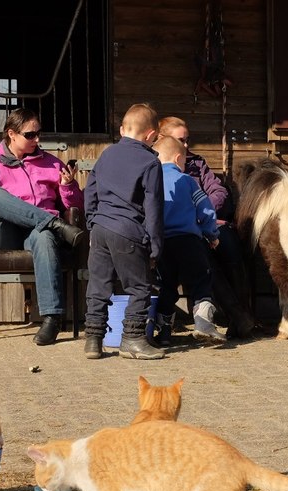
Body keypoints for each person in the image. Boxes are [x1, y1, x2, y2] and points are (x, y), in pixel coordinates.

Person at [0, 108, 85, 346]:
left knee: (44, 237)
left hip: (37, 234)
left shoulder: (51, 163)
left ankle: (52, 319)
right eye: (30, 135)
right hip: (5, 233)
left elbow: (77, 206)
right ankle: (53, 223)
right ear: (12, 134)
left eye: (38, 133)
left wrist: (67, 186)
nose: (36, 139)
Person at [157, 116, 254, 339]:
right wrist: (200, 221)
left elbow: (218, 192)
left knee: (230, 247)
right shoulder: (160, 171)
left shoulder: (197, 163)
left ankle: (164, 330)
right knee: (204, 267)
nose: (186, 145)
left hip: (179, 231)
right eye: (181, 140)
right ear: (162, 138)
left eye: (187, 139)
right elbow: (203, 207)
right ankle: (228, 319)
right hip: (193, 232)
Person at [82, 103, 165, 360]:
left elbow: (90, 191)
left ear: (122, 130)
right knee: (139, 287)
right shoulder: (150, 162)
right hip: (128, 230)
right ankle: (133, 339)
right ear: (151, 135)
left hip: (100, 229)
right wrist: (155, 246)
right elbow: (154, 207)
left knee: (98, 286)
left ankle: (93, 340)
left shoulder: (106, 154)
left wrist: (92, 222)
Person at [151, 136, 226, 346]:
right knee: (201, 280)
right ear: (178, 159)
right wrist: (212, 234)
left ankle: (164, 333)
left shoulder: (151, 182)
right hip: (189, 242)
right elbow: (206, 210)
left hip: (163, 244)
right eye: (184, 162)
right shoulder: (187, 181)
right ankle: (203, 324)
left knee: (167, 287)